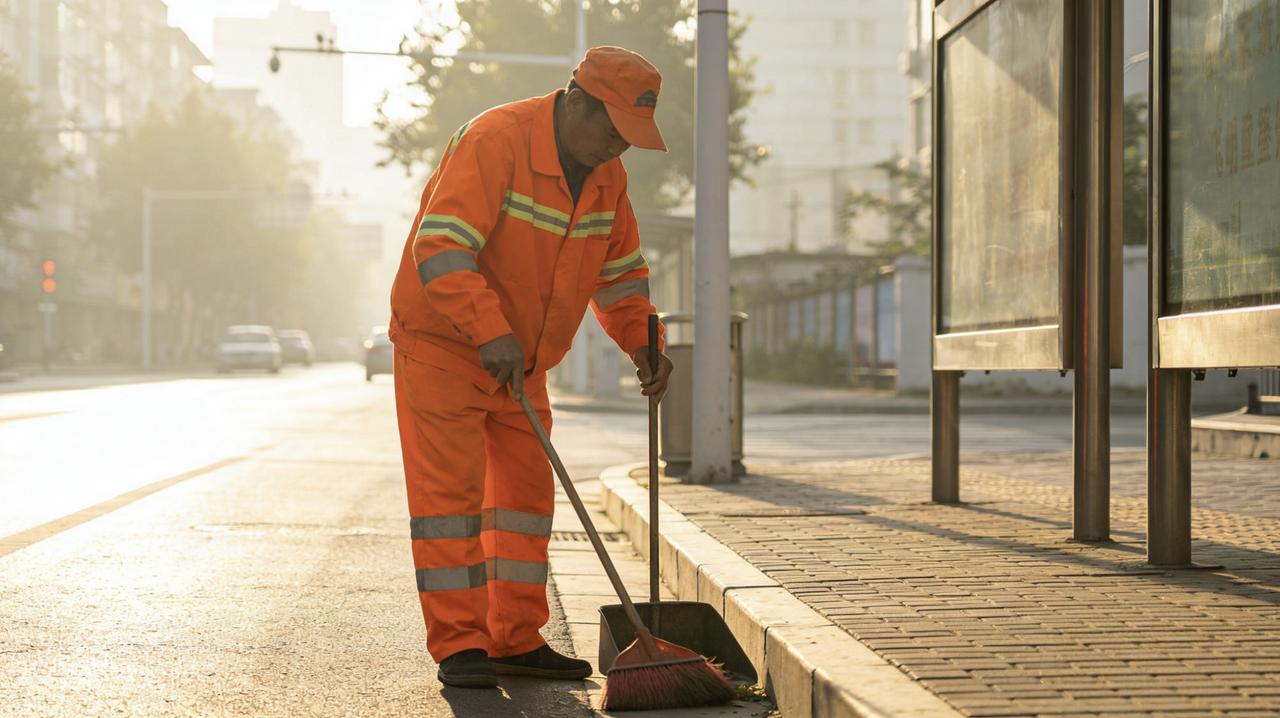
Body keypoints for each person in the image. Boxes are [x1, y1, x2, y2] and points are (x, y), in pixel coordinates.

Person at [387, 45, 675, 689]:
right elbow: (440, 248)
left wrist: (644, 343)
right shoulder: (496, 140)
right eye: (612, 131)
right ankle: (461, 646)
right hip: (443, 350)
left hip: (523, 362)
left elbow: (622, 273)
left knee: (523, 503)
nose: (616, 150)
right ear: (577, 102)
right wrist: (489, 330)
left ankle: (514, 640)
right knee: (451, 504)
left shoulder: (607, 178)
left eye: (630, 140)